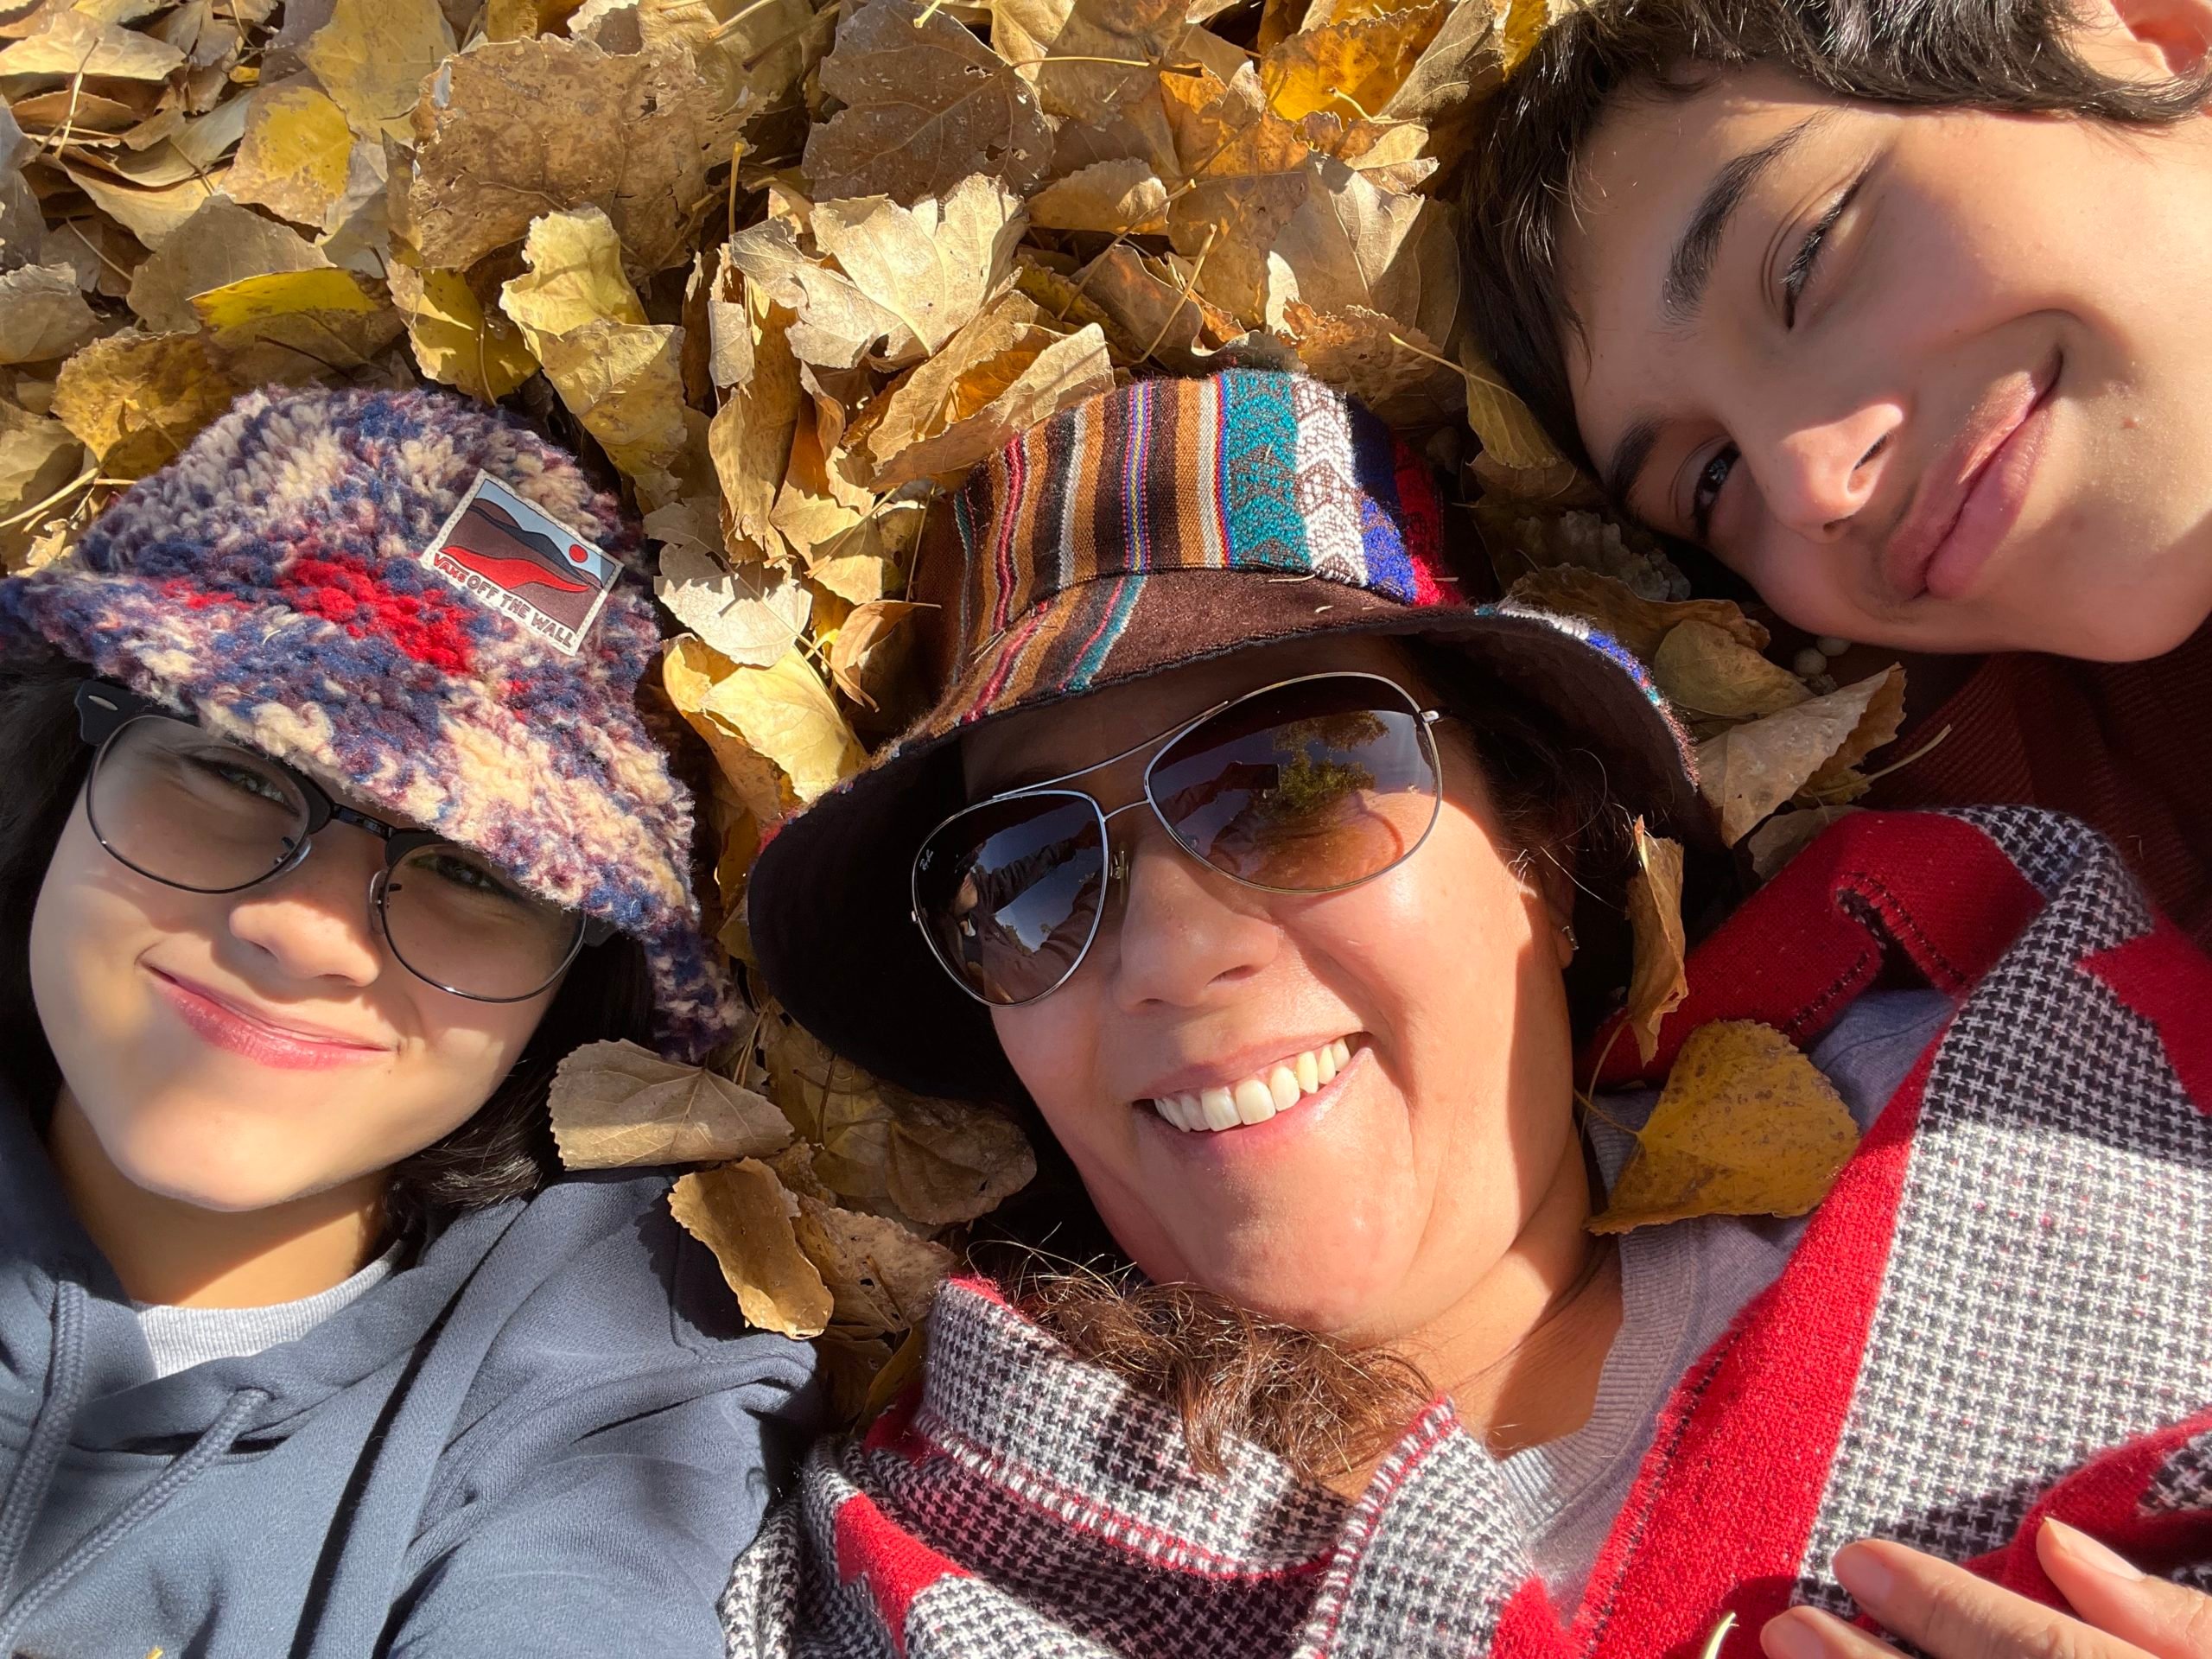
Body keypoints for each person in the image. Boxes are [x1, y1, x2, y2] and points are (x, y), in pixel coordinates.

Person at [722, 371, 2212, 1659]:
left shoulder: (2085, 1164)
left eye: (1297, 782)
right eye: (1032, 876)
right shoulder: (897, 1582)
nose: (1168, 960)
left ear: (1545, 855)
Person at [0, 386, 819, 1657]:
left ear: (579, 992)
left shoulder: (621, 1391)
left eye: (479, 874)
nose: (307, 932)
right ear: (65, 767)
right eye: (231, 772)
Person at [1458, 0, 2212, 946]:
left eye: (1804, 264)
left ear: (2154, 32)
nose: (1808, 485)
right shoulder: (2043, 878)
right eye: (1712, 479)